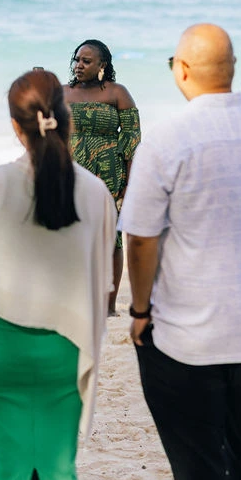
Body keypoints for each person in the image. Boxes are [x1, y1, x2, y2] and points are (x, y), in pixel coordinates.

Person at [0, 69, 116, 480]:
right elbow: (101, 283)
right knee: (58, 472)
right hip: (63, 352)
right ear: (67, 118)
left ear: (14, 125)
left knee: (4, 476)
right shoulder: (97, 192)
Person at [120, 24, 241, 480]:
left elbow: (140, 238)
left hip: (187, 342)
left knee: (197, 471)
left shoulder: (169, 139)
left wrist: (139, 309)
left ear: (183, 70)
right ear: (233, 69)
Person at [64, 39, 140, 315]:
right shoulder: (62, 93)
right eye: (76, 60)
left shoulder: (117, 93)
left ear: (101, 66)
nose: (78, 65)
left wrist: (129, 183)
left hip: (109, 173)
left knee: (111, 239)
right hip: (70, 172)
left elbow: (132, 140)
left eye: (86, 61)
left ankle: (108, 304)